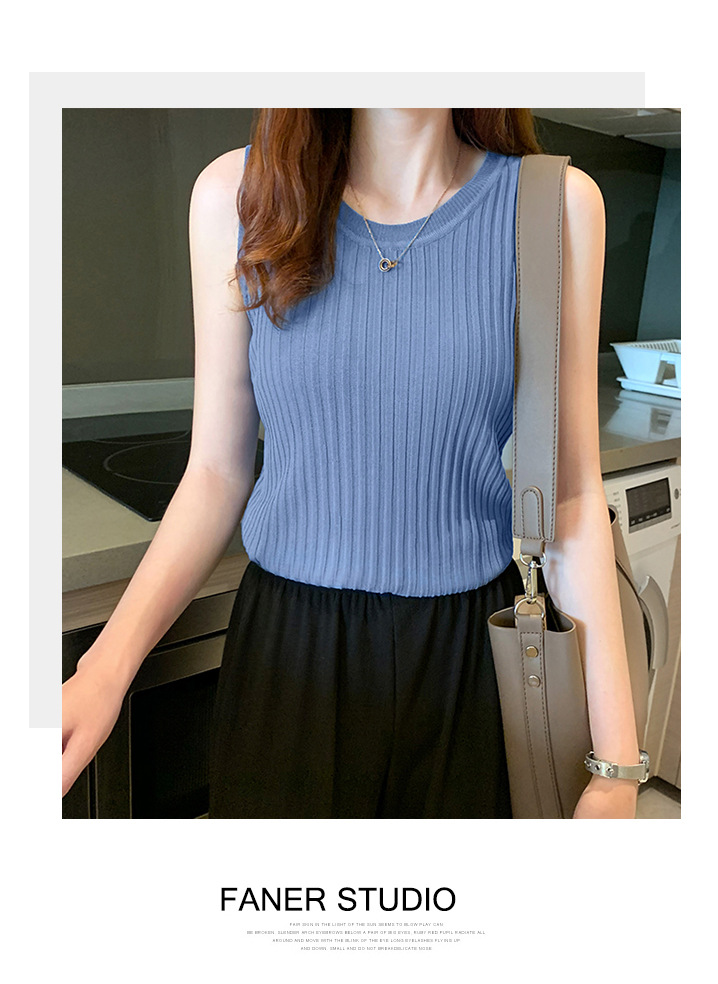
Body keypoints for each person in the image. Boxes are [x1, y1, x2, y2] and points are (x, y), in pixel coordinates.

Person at [62, 108, 642, 819]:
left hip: (471, 659)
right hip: (288, 655)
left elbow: (571, 494)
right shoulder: (236, 194)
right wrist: (104, 669)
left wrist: (617, 769)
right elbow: (215, 472)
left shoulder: (555, 206)